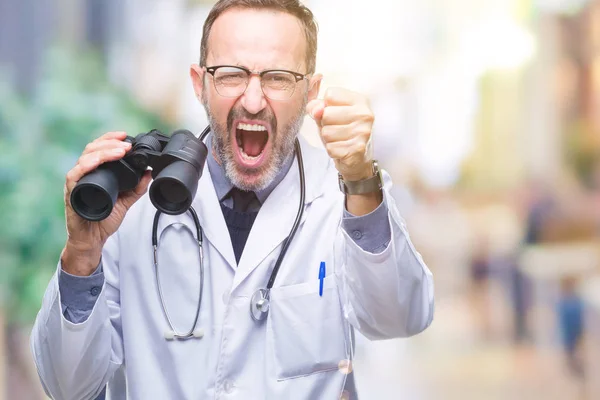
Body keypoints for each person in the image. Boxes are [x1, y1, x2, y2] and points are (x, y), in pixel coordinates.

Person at [30, 1, 434, 399]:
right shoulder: (134, 207)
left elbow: (399, 317)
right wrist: (82, 252)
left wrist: (361, 176)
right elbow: (68, 387)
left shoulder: (342, 195)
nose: (254, 100)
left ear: (310, 91)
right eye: (230, 75)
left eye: (277, 77)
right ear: (199, 83)